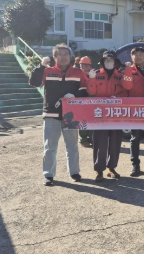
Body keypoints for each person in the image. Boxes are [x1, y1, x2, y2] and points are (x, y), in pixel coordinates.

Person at [29, 44, 87, 186]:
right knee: (50, 147)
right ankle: (48, 174)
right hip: (51, 114)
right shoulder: (47, 71)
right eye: (60, 54)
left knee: (72, 145)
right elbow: (34, 82)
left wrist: (74, 95)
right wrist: (41, 66)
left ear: (70, 56)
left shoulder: (78, 72)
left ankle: (74, 172)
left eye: (66, 54)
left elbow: (85, 91)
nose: (63, 57)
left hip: (71, 115)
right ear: (54, 57)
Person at [87, 51, 129, 182]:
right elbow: (91, 92)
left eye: (111, 60)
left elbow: (125, 92)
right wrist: (91, 79)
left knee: (115, 141)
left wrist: (117, 97)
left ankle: (112, 168)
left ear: (115, 62)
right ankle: (99, 170)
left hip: (115, 113)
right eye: (106, 60)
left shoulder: (120, 76)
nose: (109, 62)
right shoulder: (96, 75)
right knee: (100, 141)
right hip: (99, 114)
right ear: (102, 62)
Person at [122, 47, 144, 177]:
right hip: (134, 109)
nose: (138, 57)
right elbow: (127, 86)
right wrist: (127, 70)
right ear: (132, 57)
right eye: (135, 55)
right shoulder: (129, 70)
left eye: (141, 54)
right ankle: (135, 165)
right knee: (135, 138)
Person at [78, 56, 94, 148]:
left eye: (87, 65)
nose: (85, 67)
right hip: (81, 101)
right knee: (82, 121)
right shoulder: (77, 74)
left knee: (91, 120)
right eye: (83, 65)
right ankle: (83, 139)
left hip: (91, 101)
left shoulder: (94, 74)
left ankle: (91, 138)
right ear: (80, 65)